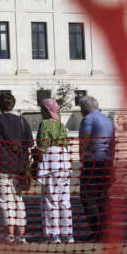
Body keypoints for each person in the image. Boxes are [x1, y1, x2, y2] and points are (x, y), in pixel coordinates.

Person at [0, 93, 32, 243]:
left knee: (4, 200)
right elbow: (28, 143)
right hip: (18, 165)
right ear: (13, 105)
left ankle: (9, 234)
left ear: (1, 105)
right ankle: (20, 235)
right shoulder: (22, 121)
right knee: (18, 199)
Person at [36, 98, 74, 244]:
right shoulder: (61, 125)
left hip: (51, 160)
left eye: (41, 109)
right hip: (64, 161)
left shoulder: (45, 124)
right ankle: (68, 233)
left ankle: (52, 234)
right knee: (64, 199)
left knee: (50, 198)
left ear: (46, 110)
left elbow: (42, 144)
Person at [78, 95, 115, 241]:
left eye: (81, 108)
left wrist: (83, 157)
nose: (81, 111)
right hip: (106, 161)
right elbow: (113, 143)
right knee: (102, 197)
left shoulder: (88, 119)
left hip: (93, 162)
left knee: (88, 197)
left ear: (85, 108)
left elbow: (85, 139)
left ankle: (97, 231)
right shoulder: (108, 120)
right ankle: (106, 231)